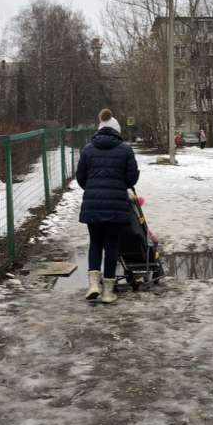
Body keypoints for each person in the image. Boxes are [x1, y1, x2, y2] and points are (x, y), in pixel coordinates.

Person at [76, 108, 140, 304]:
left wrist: (93, 187)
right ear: (116, 130)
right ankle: (108, 292)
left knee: (95, 243)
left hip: (93, 204)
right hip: (116, 204)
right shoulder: (125, 149)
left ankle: (94, 285)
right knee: (111, 246)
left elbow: (80, 178)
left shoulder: (87, 149)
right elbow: (132, 178)